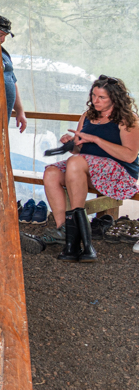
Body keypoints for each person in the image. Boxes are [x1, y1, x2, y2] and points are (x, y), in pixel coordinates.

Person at [42, 75, 139, 261]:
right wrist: (71, 144)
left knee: (76, 162)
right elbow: (79, 151)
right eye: (94, 95)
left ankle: (77, 234)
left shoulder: (128, 119)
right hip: (87, 169)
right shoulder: (87, 115)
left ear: (115, 98)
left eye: (102, 97)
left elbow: (130, 156)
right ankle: (65, 231)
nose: (95, 101)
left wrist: (95, 139)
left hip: (120, 174)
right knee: (51, 172)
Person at [0, 16, 27, 134]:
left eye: (5, 36)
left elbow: (12, 81)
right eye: (0, 35)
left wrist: (20, 111)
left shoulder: (4, 53)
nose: (3, 40)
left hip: (4, 114)